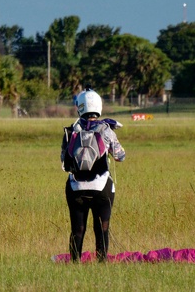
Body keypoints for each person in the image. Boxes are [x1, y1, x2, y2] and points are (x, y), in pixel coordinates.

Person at [60, 89, 125, 262]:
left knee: (77, 229)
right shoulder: (106, 129)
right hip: (102, 187)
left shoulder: (71, 130)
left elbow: (63, 159)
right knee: (102, 227)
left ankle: (74, 263)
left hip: (75, 188)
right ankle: (102, 263)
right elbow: (120, 156)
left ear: (79, 107)